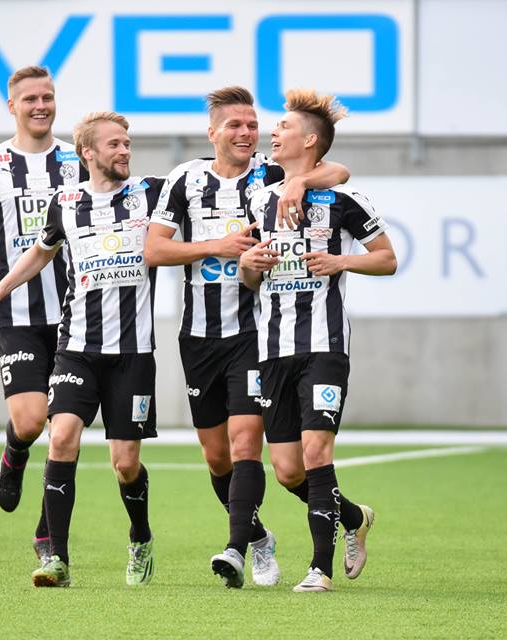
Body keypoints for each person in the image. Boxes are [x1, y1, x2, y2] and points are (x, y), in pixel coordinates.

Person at [145, 86, 350, 588]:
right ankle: (273, 534)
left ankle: (237, 549)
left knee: (245, 445)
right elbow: (154, 250)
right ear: (212, 132)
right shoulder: (186, 178)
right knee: (217, 456)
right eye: (235, 125)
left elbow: (339, 172)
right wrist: (216, 246)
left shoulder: (271, 172)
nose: (246, 133)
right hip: (198, 335)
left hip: (254, 335)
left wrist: (299, 184)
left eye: (253, 125)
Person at [0, 112, 163, 587]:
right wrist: (0, 291)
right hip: (76, 347)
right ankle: (56, 558)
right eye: (114, 144)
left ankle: (140, 537)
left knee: (125, 463)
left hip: (133, 354)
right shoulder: (66, 202)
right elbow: (41, 251)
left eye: (127, 142)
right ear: (88, 153)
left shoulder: (153, 194)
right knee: (60, 438)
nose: (124, 150)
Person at [240, 89, 396, 592]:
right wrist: (248, 265)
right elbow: (249, 278)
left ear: (309, 140)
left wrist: (340, 261)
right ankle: (353, 517)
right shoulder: (260, 197)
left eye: (284, 126)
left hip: (324, 346)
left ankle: (319, 570)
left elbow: (387, 258)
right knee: (287, 471)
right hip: (272, 349)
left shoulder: (343, 200)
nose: (273, 132)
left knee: (315, 452)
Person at [0, 66, 88, 562]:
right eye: (30, 98)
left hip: (76, 315)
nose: (40, 106)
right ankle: (13, 455)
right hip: (18, 314)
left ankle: (46, 533)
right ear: (12, 106)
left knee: (64, 429)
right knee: (30, 422)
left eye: (47, 97)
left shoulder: (77, 161)